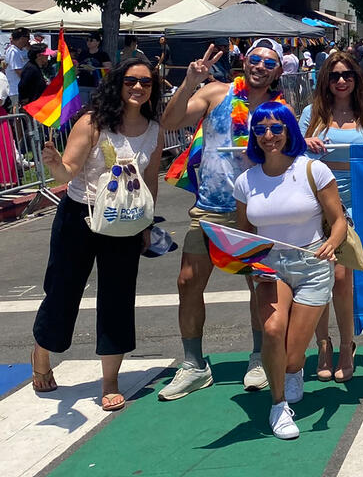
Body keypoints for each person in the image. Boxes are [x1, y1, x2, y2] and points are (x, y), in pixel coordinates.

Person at [157, 38, 288, 400]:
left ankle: (260, 358)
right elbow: (169, 121)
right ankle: (194, 365)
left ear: (278, 71)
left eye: (268, 62)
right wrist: (188, 83)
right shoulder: (216, 93)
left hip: (255, 210)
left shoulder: (280, 108)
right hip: (210, 207)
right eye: (255, 59)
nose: (260, 66)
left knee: (259, 287)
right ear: (244, 62)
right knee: (187, 283)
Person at [33, 58, 164, 411]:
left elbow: (150, 180)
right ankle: (42, 352)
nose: (138, 87)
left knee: (118, 298)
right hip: (80, 216)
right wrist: (55, 164)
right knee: (62, 292)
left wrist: (148, 225)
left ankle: (110, 380)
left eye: (147, 83)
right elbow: (68, 171)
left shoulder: (154, 129)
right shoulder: (93, 122)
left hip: (125, 222)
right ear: (118, 83)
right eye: (131, 81)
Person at [234, 101, 345, 439]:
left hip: (312, 263)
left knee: (294, 353)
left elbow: (338, 220)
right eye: (261, 129)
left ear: (289, 131)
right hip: (269, 266)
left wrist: (331, 244)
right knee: (272, 331)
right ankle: (278, 405)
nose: (269, 136)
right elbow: (243, 234)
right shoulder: (245, 180)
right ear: (254, 134)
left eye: (276, 128)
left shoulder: (313, 170)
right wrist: (247, 263)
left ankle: (293, 370)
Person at [299, 53, 363, 384]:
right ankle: (323, 344)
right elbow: (288, 150)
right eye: (334, 76)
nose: (341, 81)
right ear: (325, 81)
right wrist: (304, 142)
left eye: (347, 75)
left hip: (353, 203)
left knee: (343, 279)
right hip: (316, 202)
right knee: (319, 278)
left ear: (356, 79)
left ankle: (347, 346)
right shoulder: (310, 114)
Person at [76, 32, 112, 105]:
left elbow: (108, 69)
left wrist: (94, 69)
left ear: (98, 42)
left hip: (96, 86)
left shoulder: (103, 55)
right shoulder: (83, 54)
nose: (89, 42)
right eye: (87, 40)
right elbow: (77, 66)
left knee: (94, 107)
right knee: (83, 106)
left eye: (91, 40)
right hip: (83, 84)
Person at [4, 27, 30, 103]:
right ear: (22, 38)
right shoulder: (13, 51)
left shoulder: (22, 50)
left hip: (21, 89)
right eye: (28, 37)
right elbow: (19, 71)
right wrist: (32, 81)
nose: (29, 40)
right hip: (16, 90)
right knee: (18, 113)